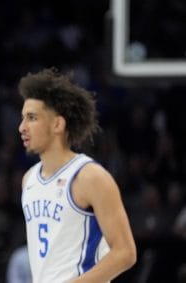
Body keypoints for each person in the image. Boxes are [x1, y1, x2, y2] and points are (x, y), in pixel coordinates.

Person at [17, 68, 136, 283]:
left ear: (57, 124)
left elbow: (125, 253)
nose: (22, 127)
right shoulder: (29, 179)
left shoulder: (90, 177)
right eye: (23, 118)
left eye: (32, 118)